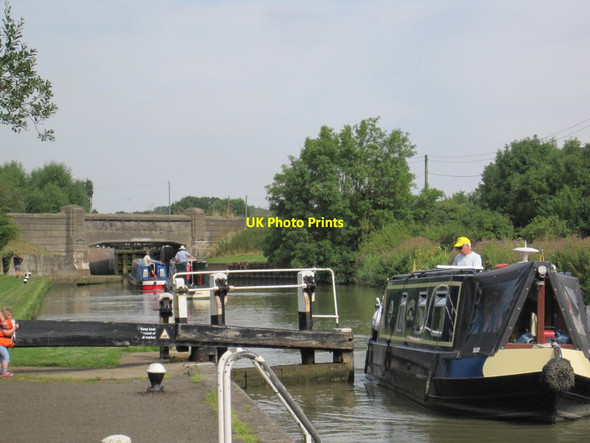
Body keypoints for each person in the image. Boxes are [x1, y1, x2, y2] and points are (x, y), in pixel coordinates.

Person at [0, 308, 20, 377]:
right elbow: (7, 333)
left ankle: (2, 371)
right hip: (1, 344)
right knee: (6, 356)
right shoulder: (4, 324)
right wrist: (14, 328)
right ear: (4, 316)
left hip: (3, 344)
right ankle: (4, 371)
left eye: (11, 315)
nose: (10, 317)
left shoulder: (6, 323)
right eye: (8, 315)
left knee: (1, 357)